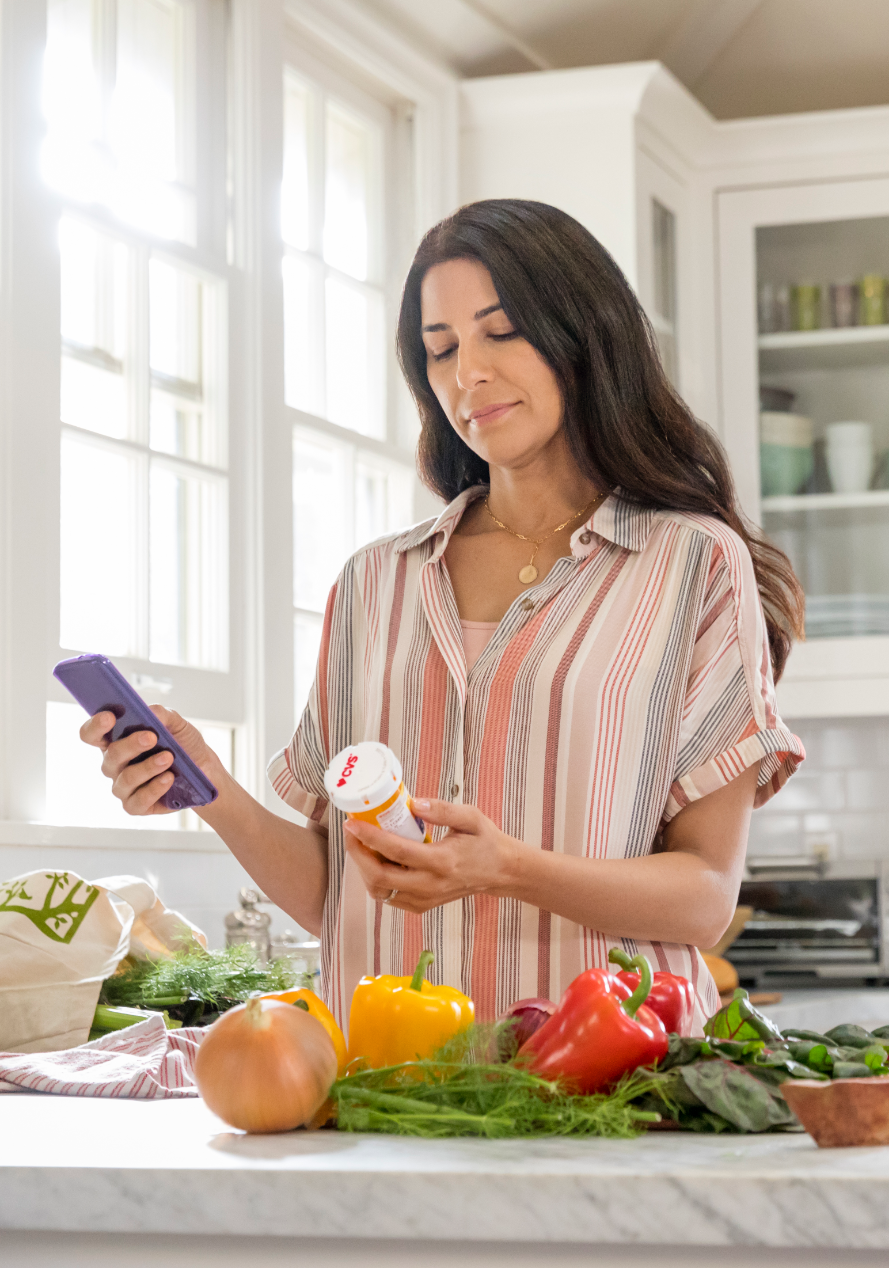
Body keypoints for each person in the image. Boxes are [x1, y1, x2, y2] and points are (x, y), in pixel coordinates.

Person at [81, 199, 804, 1032]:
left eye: (502, 332)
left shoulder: (691, 566)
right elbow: (340, 898)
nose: (470, 373)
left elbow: (706, 899)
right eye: (442, 349)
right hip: (392, 1086)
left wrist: (506, 868)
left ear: (583, 334)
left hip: (609, 1088)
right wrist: (207, 787)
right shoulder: (374, 585)